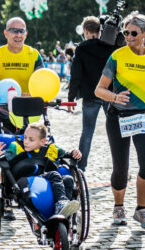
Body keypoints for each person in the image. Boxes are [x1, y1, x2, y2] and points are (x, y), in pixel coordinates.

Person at [94, 11, 145, 228]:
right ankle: (118, 207)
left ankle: (141, 210)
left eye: (134, 32)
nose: (129, 36)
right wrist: (115, 97)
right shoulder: (117, 56)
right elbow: (99, 90)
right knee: (121, 167)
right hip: (119, 118)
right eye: (126, 33)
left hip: (143, 118)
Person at [0, 123, 81, 217]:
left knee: (68, 179)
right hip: (23, 182)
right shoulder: (16, 147)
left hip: (45, 179)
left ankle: (64, 209)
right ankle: (60, 204)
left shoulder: (51, 148)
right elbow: (4, 160)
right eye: (25, 137)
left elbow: (67, 155)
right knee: (54, 175)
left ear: (42, 141)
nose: (26, 142)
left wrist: (75, 153)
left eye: (31, 139)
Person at [68, 16, 118, 172]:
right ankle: (120, 167)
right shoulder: (111, 47)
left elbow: (75, 75)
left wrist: (71, 98)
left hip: (90, 96)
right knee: (115, 132)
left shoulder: (82, 48)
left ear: (85, 31)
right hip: (109, 94)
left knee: (87, 132)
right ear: (100, 30)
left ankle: (81, 168)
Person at [0, 17, 44, 132]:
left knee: (29, 145)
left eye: (21, 31)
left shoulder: (34, 55)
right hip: (3, 108)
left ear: (25, 34)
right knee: (4, 145)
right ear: (6, 33)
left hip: (28, 106)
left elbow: (41, 80)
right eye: (14, 31)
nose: (18, 35)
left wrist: (33, 93)